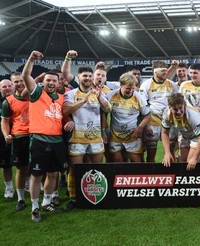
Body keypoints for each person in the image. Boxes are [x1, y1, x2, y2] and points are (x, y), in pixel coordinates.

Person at [62, 50, 111, 210]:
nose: (88, 79)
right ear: (78, 78)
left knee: (96, 170)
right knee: (75, 170)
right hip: (77, 138)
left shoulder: (99, 93)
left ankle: (94, 197)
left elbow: (107, 111)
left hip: (96, 138)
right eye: (85, 76)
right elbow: (66, 111)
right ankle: (73, 199)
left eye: (90, 76)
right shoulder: (71, 93)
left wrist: (104, 133)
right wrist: (83, 100)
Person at [22, 51, 67, 222]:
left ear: (57, 83)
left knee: (54, 174)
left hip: (57, 140)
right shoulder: (37, 94)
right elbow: (26, 75)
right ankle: (34, 207)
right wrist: (31, 59)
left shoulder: (62, 97)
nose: (50, 83)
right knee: (37, 175)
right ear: (43, 81)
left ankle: (47, 202)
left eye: (54, 81)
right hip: (40, 140)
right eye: (48, 80)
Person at [139, 61, 178, 162]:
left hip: (170, 120)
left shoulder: (172, 84)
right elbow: (143, 106)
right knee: (151, 152)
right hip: (153, 121)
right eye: (163, 71)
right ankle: (151, 173)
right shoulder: (146, 85)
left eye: (166, 70)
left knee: (171, 149)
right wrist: (146, 125)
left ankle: (172, 173)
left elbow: (178, 101)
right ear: (155, 72)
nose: (166, 73)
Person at [106, 73, 151, 162]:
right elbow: (104, 113)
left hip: (132, 135)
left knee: (135, 161)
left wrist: (140, 127)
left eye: (133, 88)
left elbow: (147, 115)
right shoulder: (111, 95)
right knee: (117, 161)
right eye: (127, 88)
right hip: (115, 135)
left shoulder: (139, 98)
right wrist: (104, 130)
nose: (130, 91)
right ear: (121, 85)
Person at [1, 72, 30, 211]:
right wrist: (6, 134)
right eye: (16, 82)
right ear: (13, 85)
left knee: (40, 166)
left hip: (37, 135)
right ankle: (20, 198)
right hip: (19, 137)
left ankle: (44, 192)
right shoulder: (8, 101)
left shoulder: (35, 96)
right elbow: (5, 121)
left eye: (21, 80)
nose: (19, 84)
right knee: (20, 169)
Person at [161, 93, 200, 171]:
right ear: (170, 108)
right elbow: (164, 133)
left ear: (184, 105)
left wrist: (195, 158)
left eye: (180, 108)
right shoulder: (166, 114)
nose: (178, 112)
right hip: (184, 131)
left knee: (190, 164)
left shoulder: (192, 115)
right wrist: (167, 153)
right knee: (182, 162)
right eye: (175, 109)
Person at [0, 79, 14, 199]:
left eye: (10, 86)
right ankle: (9, 188)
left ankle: (25, 183)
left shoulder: (21, 99)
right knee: (6, 166)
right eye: (4, 87)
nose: (7, 88)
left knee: (24, 164)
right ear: (0, 89)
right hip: (2, 139)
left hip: (20, 136)